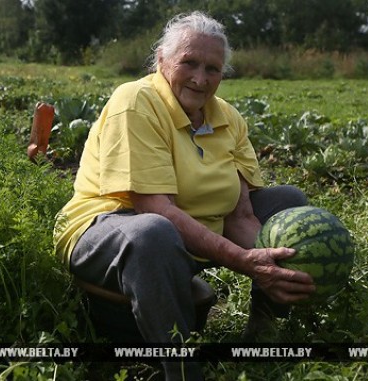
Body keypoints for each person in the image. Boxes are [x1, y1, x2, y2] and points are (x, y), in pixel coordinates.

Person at [53, 11, 315, 380]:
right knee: (152, 233)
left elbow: (239, 215)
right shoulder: (135, 102)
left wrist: (268, 262)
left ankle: (263, 333)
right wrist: (242, 260)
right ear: (161, 60)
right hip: (107, 229)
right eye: (188, 63)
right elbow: (154, 207)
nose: (200, 78)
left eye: (213, 69)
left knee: (287, 204)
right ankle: (180, 369)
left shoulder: (228, 117)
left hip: (184, 230)